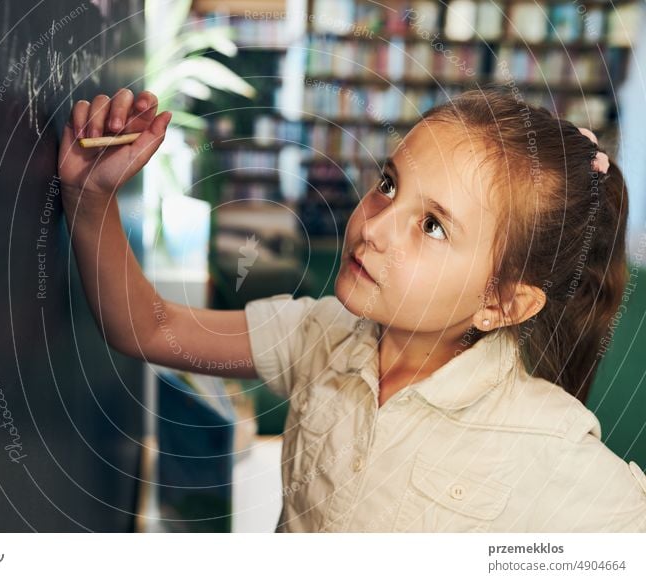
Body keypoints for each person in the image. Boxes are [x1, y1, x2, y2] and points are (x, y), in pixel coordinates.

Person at [57, 87, 646, 532]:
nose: (376, 226)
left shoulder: (548, 444)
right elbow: (150, 326)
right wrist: (91, 200)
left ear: (503, 302)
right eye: (389, 184)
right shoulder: (324, 334)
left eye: (433, 226)